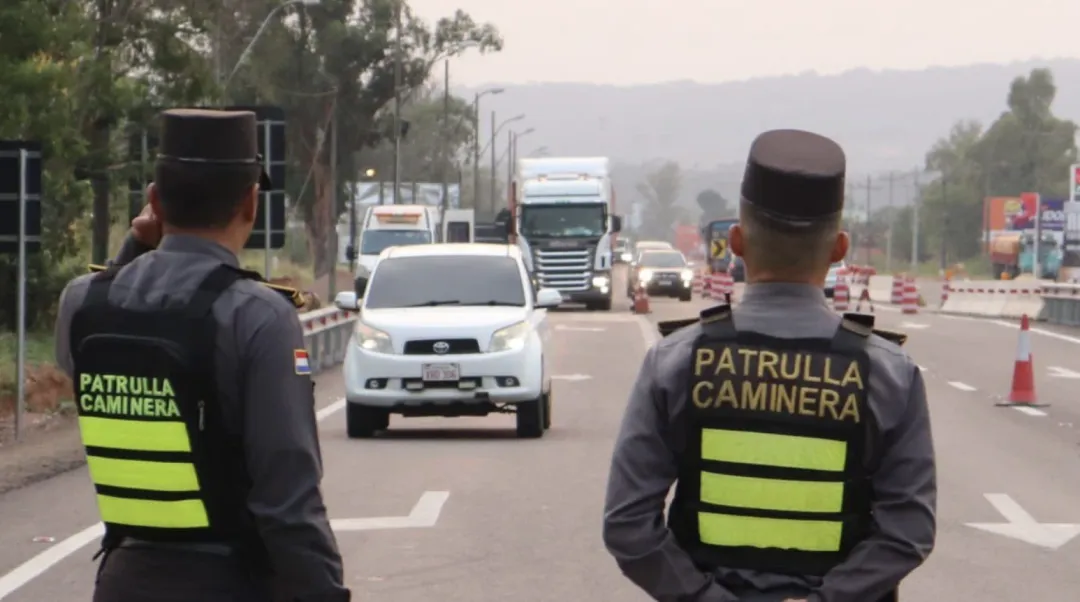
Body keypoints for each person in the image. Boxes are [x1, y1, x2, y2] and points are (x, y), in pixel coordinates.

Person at [602, 129, 936, 602]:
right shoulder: (889, 372)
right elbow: (908, 532)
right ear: (839, 249)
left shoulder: (676, 363)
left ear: (736, 242)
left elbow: (628, 526)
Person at [53, 108, 350, 602]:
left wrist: (134, 247)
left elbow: (111, 322)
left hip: (124, 581)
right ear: (251, 203)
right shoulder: (258, 317)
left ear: (154, 201)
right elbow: (288, 503)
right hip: (230, 584)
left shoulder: (81, 304)